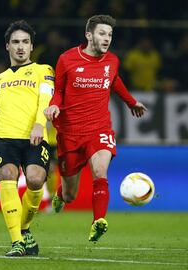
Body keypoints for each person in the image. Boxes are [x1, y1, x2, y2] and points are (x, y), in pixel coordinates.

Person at [44, 15, 147, 242]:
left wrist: (131, 102)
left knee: (101, 172)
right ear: (88, 35)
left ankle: (98, 220)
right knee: (71, 194)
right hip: (70, 133)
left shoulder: (112, 61)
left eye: (110, 34)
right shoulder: (67, 59)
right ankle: (61, 194)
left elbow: (115, 80)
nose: (107, 38)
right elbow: (59, 90)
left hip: (99, 128)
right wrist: (53, 106)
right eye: (102, 33)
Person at [0, 20, 54, 257]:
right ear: (7, 47)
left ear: (32, 47)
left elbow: (45, 99)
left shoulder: (44, 70)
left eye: (25, 42)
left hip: (34, 135)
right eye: (15, 42)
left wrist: (40, 125)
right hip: (4, 138)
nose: (20, 47)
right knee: (8, 176)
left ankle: (24, 228)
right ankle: (17, 242)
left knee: (35, 180)